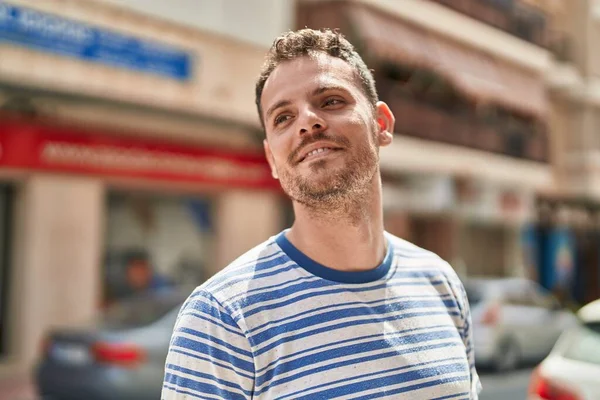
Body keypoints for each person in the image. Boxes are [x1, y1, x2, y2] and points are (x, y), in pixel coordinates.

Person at [162, 28, 482, 399]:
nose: (307, 122)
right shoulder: (222, 318)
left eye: (330, 101)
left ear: (381, 124)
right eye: (283, 117)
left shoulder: (440, 283)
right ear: (271, 159)